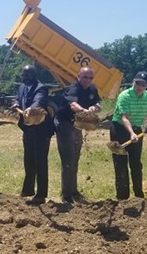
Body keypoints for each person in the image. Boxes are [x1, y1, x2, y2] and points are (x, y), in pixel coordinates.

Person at [54, 67, 101, 203]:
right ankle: (66, 195)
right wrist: (84, 111)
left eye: (90, 77)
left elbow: (98, 104)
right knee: (68, 158)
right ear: (78, 76)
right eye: (85, 77)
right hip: (64, 123)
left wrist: (95, 108)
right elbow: (73, 105)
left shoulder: (92, 89)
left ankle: (73, 190)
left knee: (75, 157)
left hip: (77, 125)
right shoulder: (72, 88)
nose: (88, 80)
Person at [110, 71, 147, 200]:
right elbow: (124, 117)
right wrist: (131, 133)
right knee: (120, 163)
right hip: (119, 130)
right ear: (133, 82)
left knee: (136, 163)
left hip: (136, 129)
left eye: (143, 84)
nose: (139, 87)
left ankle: (138, 196)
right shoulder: (124, 96)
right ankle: (122, 197)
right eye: (137, 83)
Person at [15, 65, 54, 205]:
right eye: (24, 74)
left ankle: (41, 194)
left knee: (40, 162)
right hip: (28, 129)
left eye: (29, 75)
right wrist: (15, 104)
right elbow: (19, 99)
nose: (26, 77)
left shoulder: (41, 88)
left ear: (34, 75)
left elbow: (39, 101)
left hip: (41, 129)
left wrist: (31, 109)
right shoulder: (22, 87)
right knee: (28, 160)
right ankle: (28, 189)